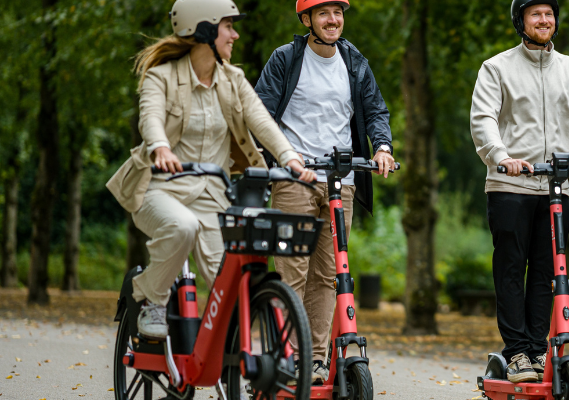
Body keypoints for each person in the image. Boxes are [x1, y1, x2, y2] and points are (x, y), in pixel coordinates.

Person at [106, 0, 316, 341]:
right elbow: (151, 118)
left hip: (214, 195)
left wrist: (289, 158)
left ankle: (225, 362)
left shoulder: (233, 79)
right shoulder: (162, 77)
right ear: (203, 31)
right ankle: (151, 299)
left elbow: (260, 121)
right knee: (182, 227)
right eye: (228, 27)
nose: (234, 35)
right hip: (159, 189)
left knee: (232, 282)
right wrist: (160, 147)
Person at [469, 0, 569, 384]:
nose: (544, 20)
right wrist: (501, 156)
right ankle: (516, 352)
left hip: (555, 188)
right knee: (512, 269)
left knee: (547, 274)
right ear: (521, 21)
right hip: (510, 185)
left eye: (549, 14)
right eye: (536, 14)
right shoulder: (497, 67)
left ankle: (537, 351)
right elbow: (483, 119)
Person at [253, 0, 395, 384]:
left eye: (338, 13)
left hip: (340, 182)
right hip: (294, 180)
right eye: (324, 13)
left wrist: (382, 146)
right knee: (292, 271)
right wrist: (282, 156)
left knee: (328, 275)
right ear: (306, 20)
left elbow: (376, 110)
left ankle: (315, 360)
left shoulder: (353, 61)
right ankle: (287, 355)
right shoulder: (285, 58)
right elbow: (259, 111)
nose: (333, 20)